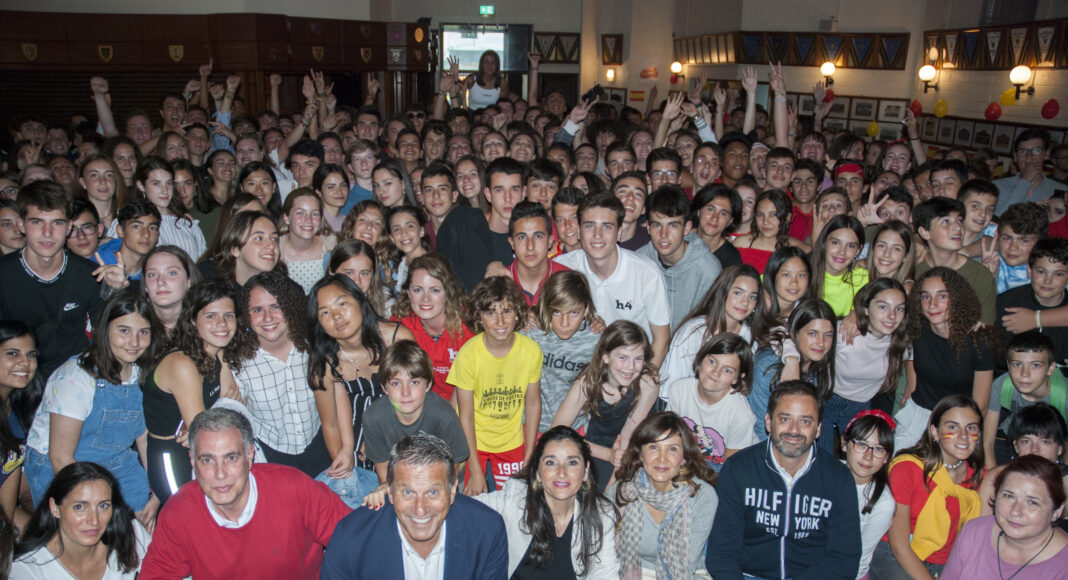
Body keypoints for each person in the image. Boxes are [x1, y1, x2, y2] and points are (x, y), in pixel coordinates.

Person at [138, 408, 351, 579]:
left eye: (231, 458)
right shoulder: (180, 513)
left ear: (249, 456)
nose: (220, 474)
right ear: (193, 461)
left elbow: (356, 539)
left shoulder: (294, 489)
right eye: (207, 460)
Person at [23, 293, 161, 528]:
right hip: (61, 467)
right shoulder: (76, 376)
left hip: (117, 462)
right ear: (104, 330)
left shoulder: (141, 373)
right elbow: (60, 457)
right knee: (84, 534)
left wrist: (157, 491)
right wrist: (98, 505)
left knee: (139, 529)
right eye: (124, 331)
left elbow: (145, 440)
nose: (134, 342)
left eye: (143, 332)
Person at [707, 380, 861, 579]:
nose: (794, 430)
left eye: (805, 421)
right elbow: (722, 553)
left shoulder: (837, 478)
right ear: (768, 422)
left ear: (818, 429)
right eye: (785, 419)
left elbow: (844, 558)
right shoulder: (738, 469)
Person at [320, 432, 508, 579]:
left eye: (432, 492)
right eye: (408, 492)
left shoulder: (487, 531)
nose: (420, 509)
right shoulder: (351, 539)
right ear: (390, 492)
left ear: (452, 492)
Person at [142, 279, 252, 504]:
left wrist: (206, 420)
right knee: (186, 514)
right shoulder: (182, 363)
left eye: (228, 315)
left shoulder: (216, 351)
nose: (222, 323)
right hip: (172, 458)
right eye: (211, 316)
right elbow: (202, 431)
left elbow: (233, 402)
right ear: (192, 321)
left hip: (202, 452)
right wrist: (202, 423)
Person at [307, 274, 414, 505]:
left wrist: (378, 438)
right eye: (324, 312)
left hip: (401, 434)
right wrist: (349, 472)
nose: (336, 316)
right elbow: (330, 424)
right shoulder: (324, 363)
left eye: (342, 303)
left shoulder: (397, 338)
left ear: (359, 300)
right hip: (353, 448)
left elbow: (416, 398)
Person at [472, 426, 620, 578]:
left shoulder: (601, 514)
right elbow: (465, 511)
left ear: (585, 471)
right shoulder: (516, 498)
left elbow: (605, 574)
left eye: (572, 462)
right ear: (537, 472)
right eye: (550, 463)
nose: (561, 473)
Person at [870, 394, 985, 580]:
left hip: (946, 561)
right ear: (935, 431)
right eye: (953, 427)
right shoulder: (907, 468)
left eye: (971, 427)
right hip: (896, 555)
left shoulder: (979, 476)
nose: (963, 436)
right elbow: (899, 546)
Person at [0, 181, 106, 379]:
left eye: (57, 223)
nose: (47, 233)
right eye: (37, 222)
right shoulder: (4, 274)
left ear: (68, 227)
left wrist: (115, 292)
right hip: (17, 376)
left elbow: (108, 332)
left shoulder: (89, 274)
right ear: (21, 225)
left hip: (75, 375)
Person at [448, 276, 543, 494]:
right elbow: (465, 415)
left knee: (519, 499)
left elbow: (533, 403)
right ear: (479, 317)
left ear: (517, 313)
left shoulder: (531, 351)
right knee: (473, 500)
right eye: (490, 313)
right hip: (473, 439)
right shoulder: (468, 355)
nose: (500, 321)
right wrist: (475, 468)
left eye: (507, 311)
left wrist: (529, 453)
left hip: (511, 439)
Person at [554, 193, 671, 366]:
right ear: (578, 231)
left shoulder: (646, 274)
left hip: (635, 368)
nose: (597, 235)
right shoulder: (561, 268)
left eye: (607, 227)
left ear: (619, 232)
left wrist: (645, 379)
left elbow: (661, 339)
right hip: (581, 367)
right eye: (589, 226)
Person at [235, 272, 333, 478]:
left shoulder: (314, 347)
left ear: (290, 307)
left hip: (321, 447)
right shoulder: (237, 365)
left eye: (275, 307)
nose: (267, 317)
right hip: (270, 458)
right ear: (245, 315)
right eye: (257, 310)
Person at [601, 412, 717, 578]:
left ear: (684, 457)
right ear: (640, 454)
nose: (662, 459)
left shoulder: (702, 496)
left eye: (672, 449)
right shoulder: (621, 492)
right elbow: (604, 555)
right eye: (653, 447)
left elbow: (687, 564)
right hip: (625, 572)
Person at [895, 267, 995, 451]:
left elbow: (980, 406)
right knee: (899, 465)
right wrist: (911, 381)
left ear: (956, 299)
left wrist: (957, 432)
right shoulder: (916, 330)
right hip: (918, 416)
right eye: (925, 297)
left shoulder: (979, 341)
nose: (932, 304)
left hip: (959, 423)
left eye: (942, 296)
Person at [552, 321, 659, 490]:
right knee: (573, 483)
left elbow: (626, 442)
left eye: (638, 359)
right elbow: (556, 430)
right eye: (623, 357)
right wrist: (607, 454)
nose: (631, 367)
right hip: (597, 445)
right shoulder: (588, 381)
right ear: (606, 357)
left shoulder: (648, 382)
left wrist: (609, 494)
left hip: (634, 447)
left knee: (616, 493)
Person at [12, 462, 151, 579]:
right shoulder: (27, 570)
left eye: (103, 506)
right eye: (79, 507)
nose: (94, 520)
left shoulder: (131, 534)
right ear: (55, 508)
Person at [942, 455, 1068, 579]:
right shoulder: (974, 532)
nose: (1015, 511)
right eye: (1009, 496)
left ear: (1057, 511)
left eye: (1032, 502)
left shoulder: (1063, 566)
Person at [825, 278, 909, 449]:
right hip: (826, 400)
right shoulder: (844, 332)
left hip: (860, 406)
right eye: (883, 307)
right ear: (866, 308)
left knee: (864, 454)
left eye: (899, 308)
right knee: (821, 456)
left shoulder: (899, 342)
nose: (892, 316)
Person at [660, 265, 763, 389]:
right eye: (738, 293)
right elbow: (671, 389)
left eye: (752, 297)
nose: (745, 302)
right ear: (722, 293)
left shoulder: (750, 338)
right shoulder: (693, 333)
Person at [750, 299, 837, 444]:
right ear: (794, 332)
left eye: (828, 335)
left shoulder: (819, 368)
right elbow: (759, 426)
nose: (821, 343)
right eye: (812, 333)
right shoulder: (768, 366)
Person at [637, 185, 722, 332]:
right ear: (648, 228)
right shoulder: (639, 261)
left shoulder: (708, 270)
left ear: (687, 228)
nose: (664, 234)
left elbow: (712, 326)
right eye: (657, 225)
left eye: (673, 226)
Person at [667, 332, 758, 469]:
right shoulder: (679, 390)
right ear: (701, 358)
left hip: (725, 467)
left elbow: (731, 468)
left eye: (727, 370)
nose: (716, 372)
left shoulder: (741, 414)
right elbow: (669, 437)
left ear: (737, 378)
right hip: (689, 459)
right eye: (712, 361)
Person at [393, 253, 474, 404]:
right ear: (408, 293)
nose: (425, 298)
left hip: (464, 406)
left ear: (448, 293)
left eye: (435, 290)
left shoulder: (470, 327)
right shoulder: (400, 327)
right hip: (417, 407)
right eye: (418, 290)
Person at [526, 271, 601, 435]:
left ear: (586, 309)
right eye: (556, 312)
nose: (564, 323)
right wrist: (519, 319)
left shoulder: (596, 339)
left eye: (574, 313)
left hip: (576, 428)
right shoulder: (530, 331)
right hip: (529, 427)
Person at [985, 332, 1066, 466]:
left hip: (1051, 443)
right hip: (1015, 436)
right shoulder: (1001, 385)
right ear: (1008, 366)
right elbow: (987, 442)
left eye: (1035, 365)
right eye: (1017, 364)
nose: (1024, 374)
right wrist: (992, 474)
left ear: (1051, 368)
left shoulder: (1063, 397)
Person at [840, 410, 897, 580]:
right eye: (861, 445)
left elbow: (860, 558)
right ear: (844, 443)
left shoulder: (883, 503)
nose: (868, 456)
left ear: (886, 457)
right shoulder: (824, 476)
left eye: (879, 449)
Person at [0, 321, 42, 529]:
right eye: (12, 354)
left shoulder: (17, 408)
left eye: (31, 354)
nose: (25, 362)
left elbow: (10, 473)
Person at [994, 129, 1066, 215]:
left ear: (1047, 154)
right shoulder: (997, 186)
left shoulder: (1062, 191)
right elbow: (998, 219)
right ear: (1015, 156)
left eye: (1036, 151)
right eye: (1022, 151)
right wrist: (1024, 183)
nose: (1029, 157)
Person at [809, 214, 868, 318]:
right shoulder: (805, 274)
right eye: (835, 243)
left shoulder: (864, 279)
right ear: (824, 242)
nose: (842, 252)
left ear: (858, 250)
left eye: (851, 246)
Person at [279, 187, 336, 293]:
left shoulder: (332, 245)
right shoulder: (274, 248)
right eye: (300, 213)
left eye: (314, 214)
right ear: (286, 217)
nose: (308, 220)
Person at [93, 200, 161, 281]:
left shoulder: (157, 270)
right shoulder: (97, 266)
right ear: (120, 231)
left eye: (152, 228)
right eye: (136, 226)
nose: (146, 234)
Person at [691, 184, 743, 269]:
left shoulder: (731, 257)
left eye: (723, 214)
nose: (715, 218)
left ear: (730, 221)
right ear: (699, 211)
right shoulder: (681, 238)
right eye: (710, 209)